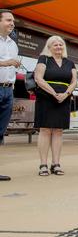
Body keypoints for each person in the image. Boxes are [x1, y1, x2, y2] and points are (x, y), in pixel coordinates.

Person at [33, 36, 77, 176]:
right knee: (45, 130)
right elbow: (38, 78)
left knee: (58, 131)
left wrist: (65, 94)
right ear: (49, 47)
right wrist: (53, 93)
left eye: (60, 45)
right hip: (46, 98)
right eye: (55, 45)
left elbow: (74, 82)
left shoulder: (70, 63)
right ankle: (43, 164)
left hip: (63, 99)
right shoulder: (44, 59)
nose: (58, 47)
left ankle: (56, 164)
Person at [0, 9, 19, 181]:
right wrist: (7, 63)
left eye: (12, 21)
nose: (12, 23)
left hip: (8, 90)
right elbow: (7, 63)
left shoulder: (13, 44)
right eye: (8, 20)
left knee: (0, 131)